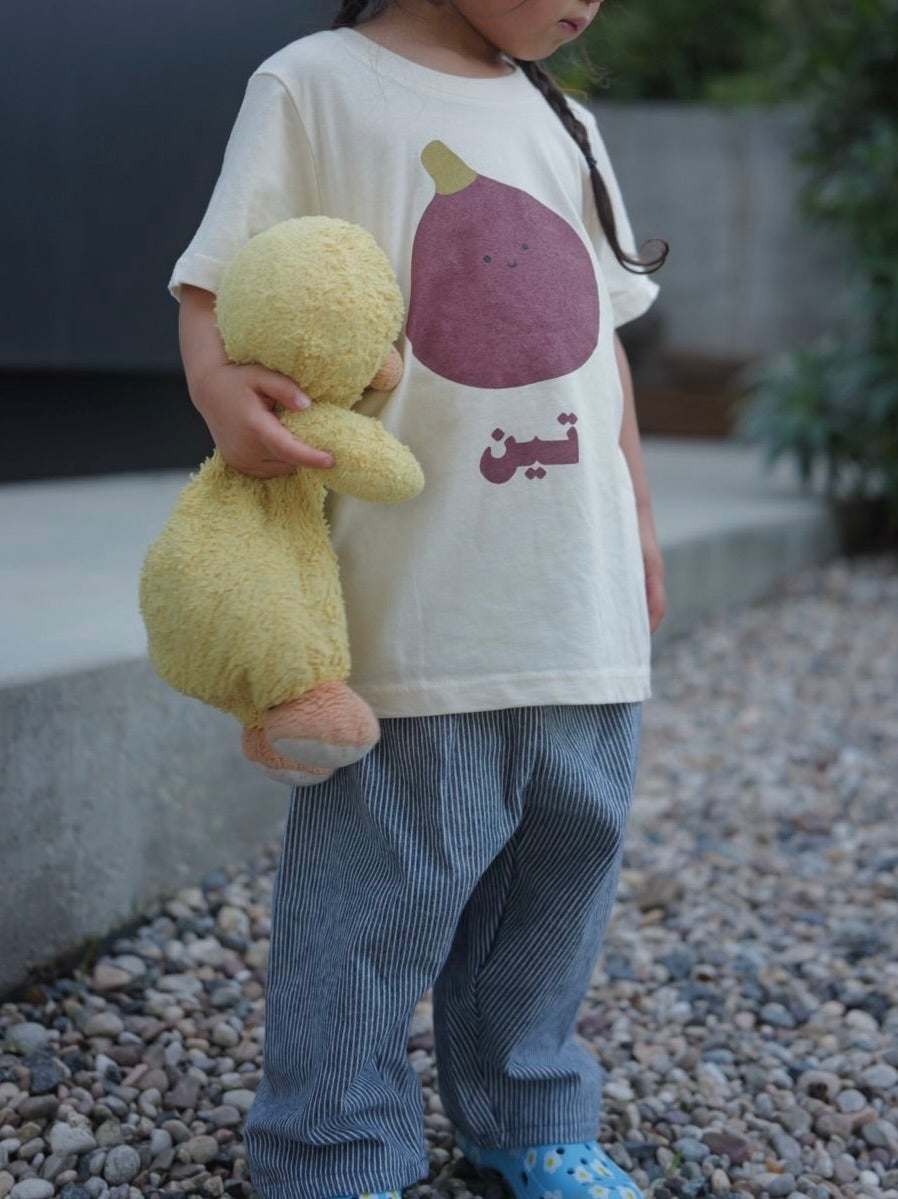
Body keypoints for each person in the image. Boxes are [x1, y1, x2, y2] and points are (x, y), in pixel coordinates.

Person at [170, 3, 668, 1198]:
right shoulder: (314, 86)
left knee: (559, 874)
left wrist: (638, 518)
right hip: (415, 589)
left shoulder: (562, 120)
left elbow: (596, 344)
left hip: (573, 593)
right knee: (375, 891)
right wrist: (219, 392)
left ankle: (528, 1111)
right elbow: (217, 282)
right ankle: (330, 1147)